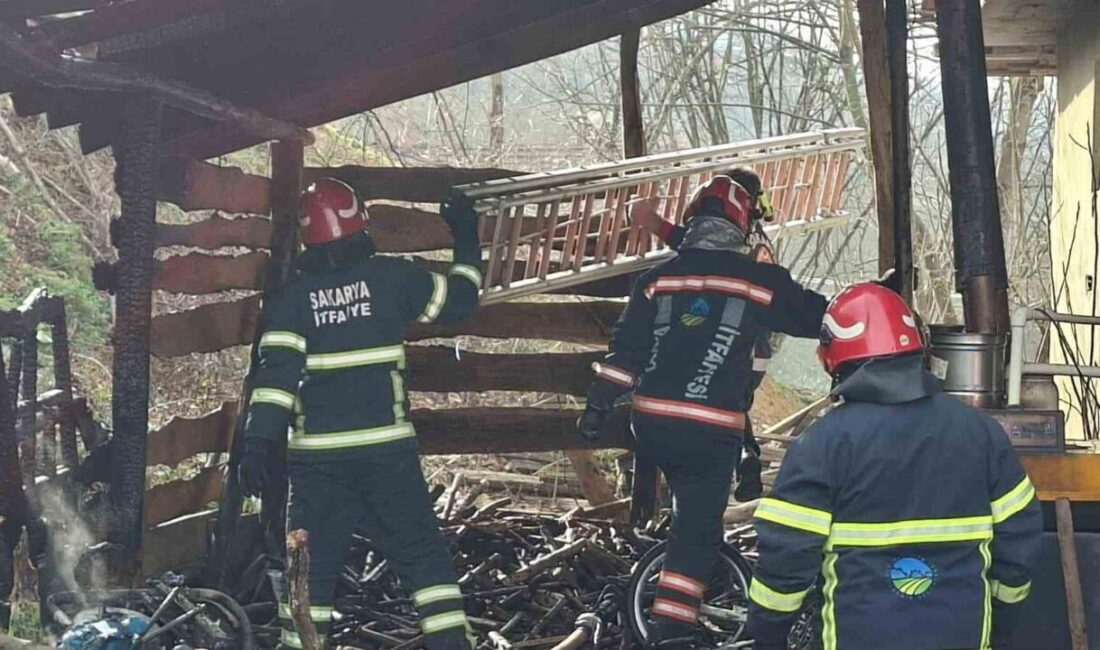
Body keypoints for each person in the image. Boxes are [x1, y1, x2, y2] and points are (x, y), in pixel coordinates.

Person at [577, 174, 829, 647]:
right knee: (697, 534)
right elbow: (818, 317)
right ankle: (671, 630)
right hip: (710, 430)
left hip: (650, 425)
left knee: (690, 516)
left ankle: (674, 582)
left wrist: (596, 405)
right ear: (743, 222)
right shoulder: (760, 280)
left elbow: (626, 350)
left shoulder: (659, 279)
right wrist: (874, 302)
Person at [238, 178, 482, 650]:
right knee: (424, 562)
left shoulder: (291, 301)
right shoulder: (394, 280)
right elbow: (461, 299)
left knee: (313, 573)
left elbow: (274, 383)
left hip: (318, 466)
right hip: (388, 453)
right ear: (360, 221)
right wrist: (466, 235)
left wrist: (258, 445)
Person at [747, 283, 1042, 650]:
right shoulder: (982, 433)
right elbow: (1020, 544)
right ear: (917, 345)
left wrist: (766, 637)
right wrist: (1002, 622)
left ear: (831, 356)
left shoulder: (822, 444)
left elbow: (784, 564)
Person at [628, 167, 777, 502]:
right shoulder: (756, 243)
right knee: (731, 402)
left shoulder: (733, 248)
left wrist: (650, 220)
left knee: (717, 399)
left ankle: (734, 462)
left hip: (737, 345)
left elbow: (693, 246)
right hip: (757, 350)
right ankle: (745, 456)